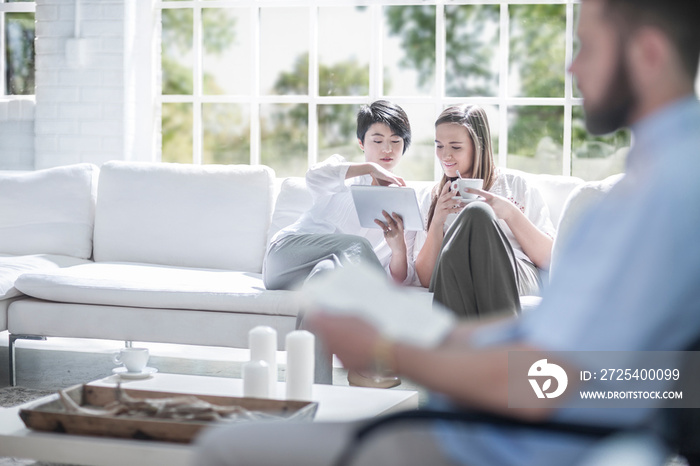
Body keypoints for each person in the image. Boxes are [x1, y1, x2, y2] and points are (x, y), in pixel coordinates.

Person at [194, 0, 700, 464]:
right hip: (498, 426)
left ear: (648, 54)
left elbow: (553, 379)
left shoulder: (665, 193)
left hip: (511, 444)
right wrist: (427, 334)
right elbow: (548, 341)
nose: (572, 68)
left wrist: (390, 349)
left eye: (586, 46)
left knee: (226, 447)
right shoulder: (653, 181)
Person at [263, 99, 415, 388]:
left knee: (325, 282)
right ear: (361, 142)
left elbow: (399, 277)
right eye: (377, 140)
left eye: (396, 142)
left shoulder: (406, 203)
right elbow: (314, 175)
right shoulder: (342, 177)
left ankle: (310, 392)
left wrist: (398, 247)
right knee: (355, 247)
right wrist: (369, 169)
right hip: (285, 257)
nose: (387, 149)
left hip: (321, 273)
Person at [413, 105, 554, 319]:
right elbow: (426, 279)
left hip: (516, 273)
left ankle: (457, 344)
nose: (445, 155)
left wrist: (509, 213)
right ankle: (483, 345)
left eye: (456, 147)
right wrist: (437, 222)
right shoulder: (434, 197)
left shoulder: (515, 185)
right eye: (439, 145)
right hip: (458, 275)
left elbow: (548, 258)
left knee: (477, 212)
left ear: (478, 147)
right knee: (461, 244)